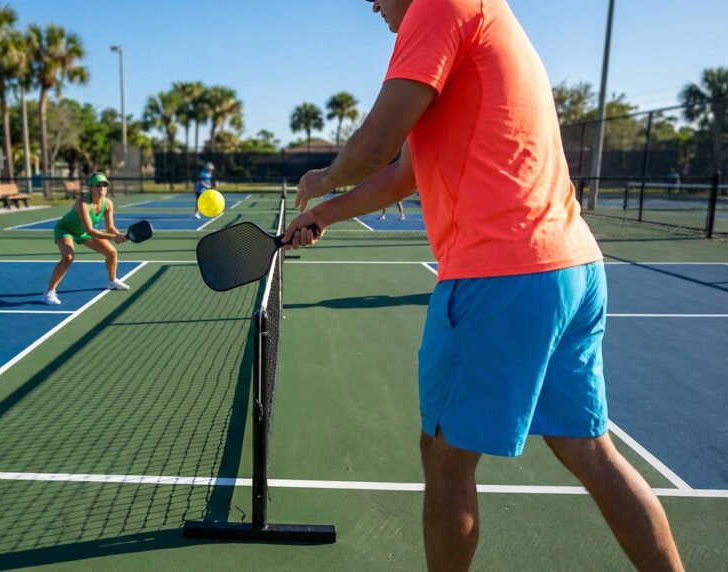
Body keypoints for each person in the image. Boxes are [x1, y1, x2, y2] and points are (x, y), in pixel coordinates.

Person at [283, 1, 683, 570]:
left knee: (446, 459)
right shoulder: (482, 12)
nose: (369, 2)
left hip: (503, 273)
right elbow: (404, 174)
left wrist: (324, 178)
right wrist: (326, 213)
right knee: (589, 451)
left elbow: (373, 149)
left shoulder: (436, 6)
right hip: (572, 268)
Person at [43, 173, 129, 305]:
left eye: (104, 185)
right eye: (98, 185)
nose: (102, 188)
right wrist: (114, 237)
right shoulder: (82, 203)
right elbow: (90, 230)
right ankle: (49, 292)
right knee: (68, 257)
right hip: (66, 229)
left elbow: (110, 227)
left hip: (83, 232)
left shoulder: (108, 204)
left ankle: (112, 282)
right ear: (91, 188)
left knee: (112, 253)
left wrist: (119, 235)